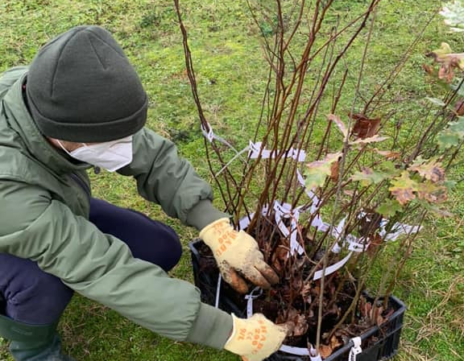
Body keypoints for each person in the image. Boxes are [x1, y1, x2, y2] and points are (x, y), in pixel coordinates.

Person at [0, 26, 287, 361]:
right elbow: (100, 268)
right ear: (63, 136)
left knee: (160, 247)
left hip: (46, 205)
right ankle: (33, 347)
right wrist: (225, 331)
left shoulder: (46, 93)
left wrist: (213, 226)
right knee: (42, 282)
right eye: (108, 143)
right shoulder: (8, 185)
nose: (123, 149)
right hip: (11, 221)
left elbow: (153, 158)